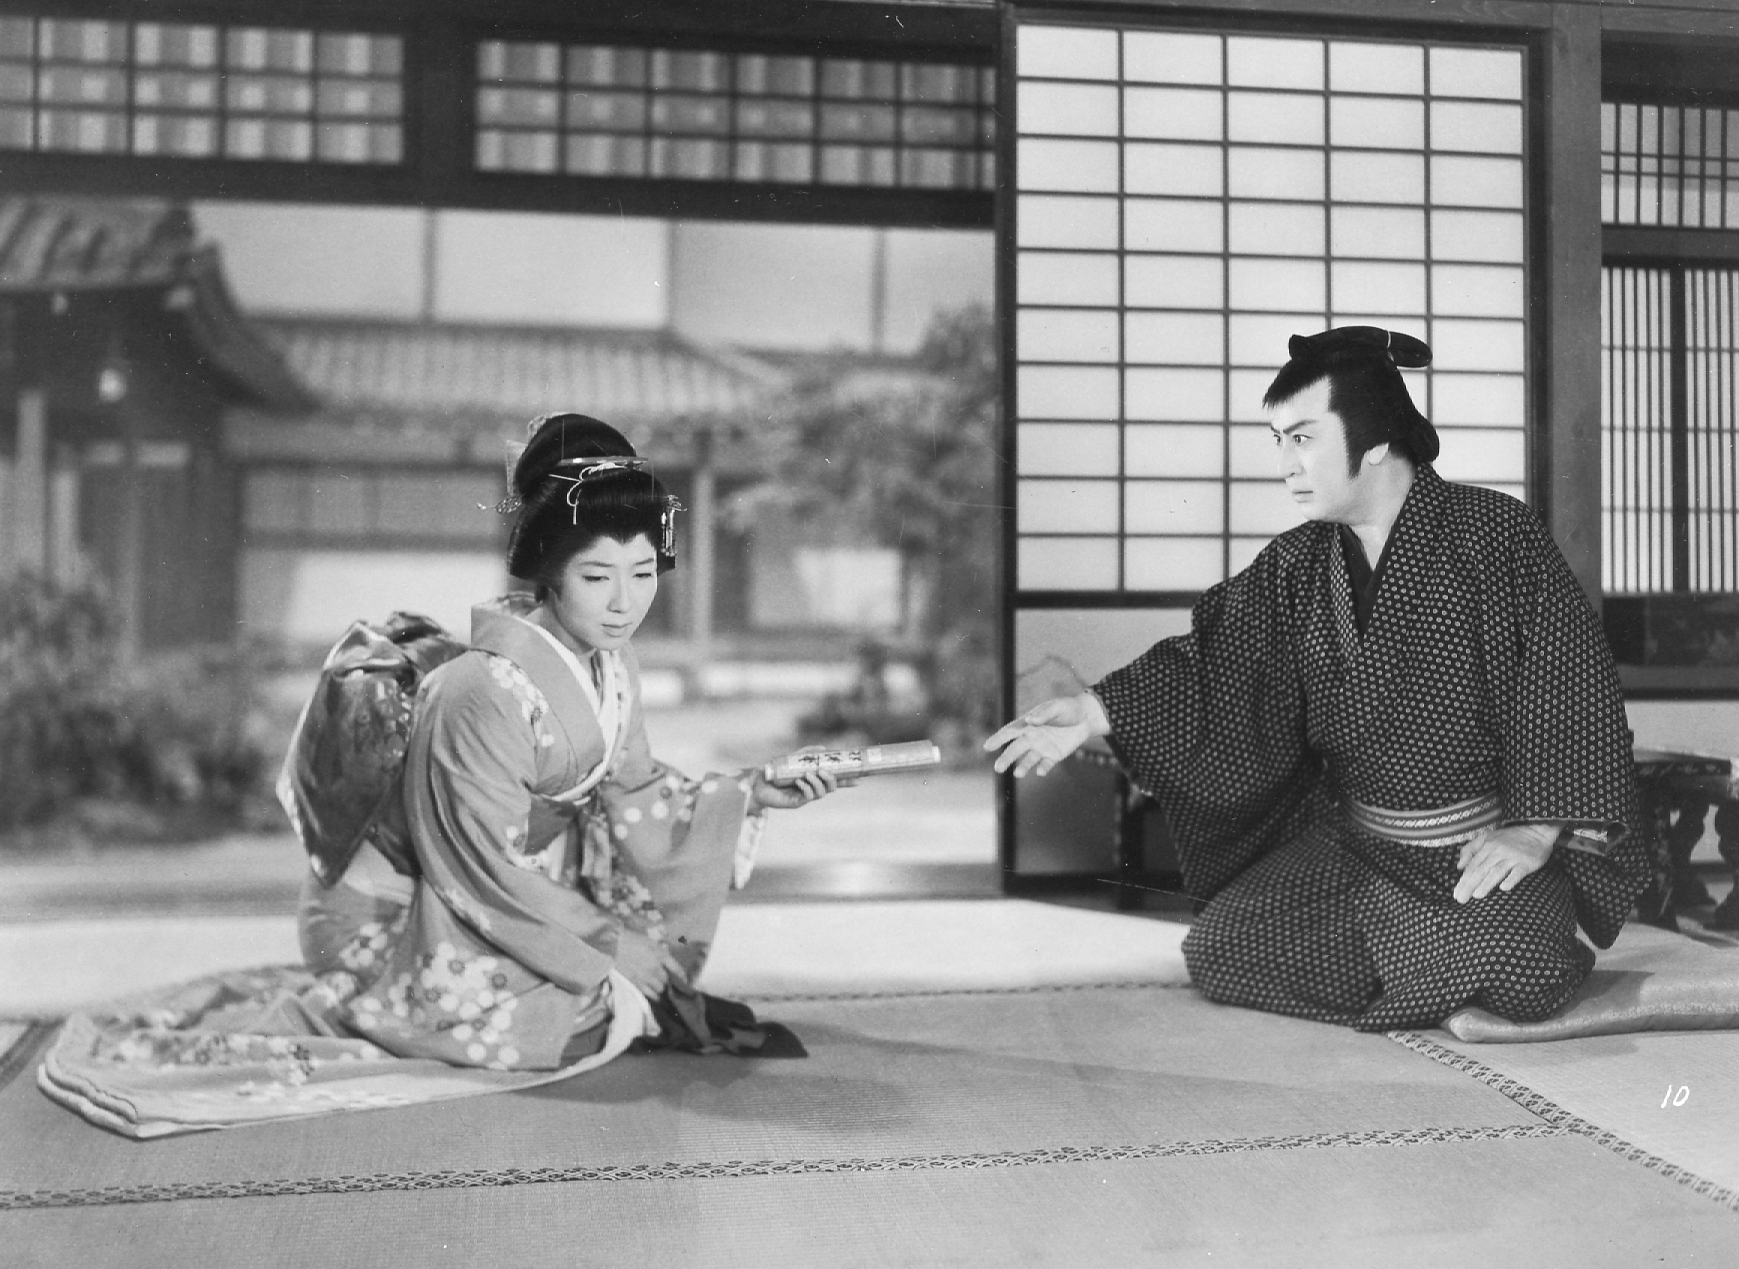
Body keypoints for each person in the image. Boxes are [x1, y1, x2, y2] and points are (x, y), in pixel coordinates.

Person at [40, 413, 845, 1137]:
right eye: (598, 576)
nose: (624, 602)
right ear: (547, 570)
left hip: (492, 895)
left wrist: (751, 793)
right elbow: (480, 865)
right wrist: (609, 948)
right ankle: (363, 999)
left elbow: (632, 794)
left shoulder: (611, 664)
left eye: (642, 572)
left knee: (611, 1001)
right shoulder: (480, 687)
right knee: (571, 1016)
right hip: (393, 909)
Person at [986, 327, 1646, 1032]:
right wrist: (1092, 711)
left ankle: (1432, 954)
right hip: (1359, 848)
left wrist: (1536, 830)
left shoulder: (1494, 534)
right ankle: (1425, 965)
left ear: (1375, 438)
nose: (1285, 465)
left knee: (1523, 969)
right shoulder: (1297, 563)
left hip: (1476, 849)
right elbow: (1215, 661)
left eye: (1302, 438)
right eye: (1278, 441)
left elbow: (1567, 681)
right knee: (1219, 950)